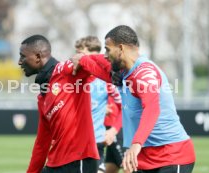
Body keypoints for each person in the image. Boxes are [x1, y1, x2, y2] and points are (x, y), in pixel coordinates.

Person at [71, 25, 196, 173]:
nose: (105, 54)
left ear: (121, 48)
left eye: (108, 49)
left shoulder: (144, 73)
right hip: (142, 159)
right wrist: (82, 59)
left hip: (171, 157)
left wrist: (136, 144)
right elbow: (98, 65)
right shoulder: (123, 72)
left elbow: (152, 108)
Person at [18, 34, 99, 173]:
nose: (19, 62)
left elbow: (100, 63)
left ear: (38, 56)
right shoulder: (42, 96)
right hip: (55, 164)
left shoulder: (66, 70)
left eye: (22, 56)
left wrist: (84, 58)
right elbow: (42, 143)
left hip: (79, 161)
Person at [75, 36, 124, 173]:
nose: (76, 56)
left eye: (80, 52)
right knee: (111, 167)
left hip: (103, 137)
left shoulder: (105, 80)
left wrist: (113, 129)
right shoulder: (74, 81)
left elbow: (125, 106)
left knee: (128, 167)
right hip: (77, 142)